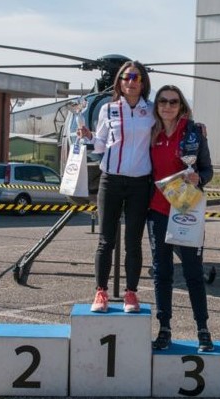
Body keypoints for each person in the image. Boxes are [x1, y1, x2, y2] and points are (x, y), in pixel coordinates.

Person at [78, 61, 155, 313]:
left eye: (136, 77)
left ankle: (131, 294)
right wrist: (89, 136)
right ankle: (101, 292)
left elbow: (173, 124)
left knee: (133, 242)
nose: (131, 82)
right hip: (110, 180)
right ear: (119, 82)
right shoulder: (108, 109)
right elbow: (101, 144)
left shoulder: (151, 110)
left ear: (142, 82)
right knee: (105, 241)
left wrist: (196, 127)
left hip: (139, 183)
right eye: (126, 77)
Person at [146, 85, 214, 352]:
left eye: (173, 102)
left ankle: (203, 330)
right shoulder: (151, 132)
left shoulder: (193, 132)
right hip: (158, 211)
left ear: (181, 106)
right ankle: (164, 328)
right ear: (156, 106)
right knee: (162, 272)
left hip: (186, 210)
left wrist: (200, 178)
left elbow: (208, 169)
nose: (167, 106)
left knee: (193, 272)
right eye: (162, 101)